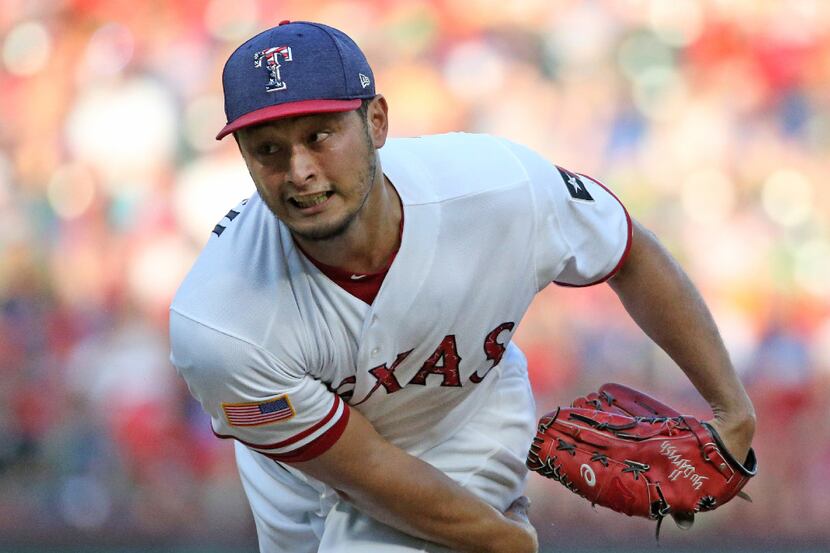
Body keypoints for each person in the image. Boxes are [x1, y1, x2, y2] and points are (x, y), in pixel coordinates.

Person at [169, 20, 756, 553]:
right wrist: (504, 542)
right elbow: (366, 466)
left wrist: (734, 410)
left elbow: (629, 251)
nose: (299, 171)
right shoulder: (220, 323)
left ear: (376, 122)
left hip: (464, 424)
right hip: (297, 483)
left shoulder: (497, 188)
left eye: (320, 136)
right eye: (269, 150)